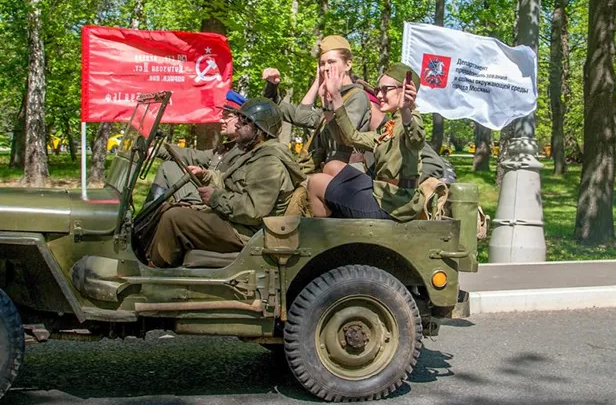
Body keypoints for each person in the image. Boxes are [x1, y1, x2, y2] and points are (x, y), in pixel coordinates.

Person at [146, 98, 305, 268]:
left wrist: (215, 198)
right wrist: (206, 176)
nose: (237, 124)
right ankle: (149, 259)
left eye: (245, 121)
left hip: (245, 232)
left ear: (260, 130)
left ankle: (153, 272)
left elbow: (253, 211)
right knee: (167, 209)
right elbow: (232, 182)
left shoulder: (268, 162)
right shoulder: (255, 153)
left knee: (174, 218)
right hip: (236, 223)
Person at [308, 62, 428, 221]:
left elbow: (416, 140)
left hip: (396, 205)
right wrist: (333, 101)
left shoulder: (410, 120)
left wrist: (405, 110)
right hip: (383, 193)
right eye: (378, 90)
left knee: (315, 182)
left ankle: (332, 234)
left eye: (385, 89)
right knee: (332, 166)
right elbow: (352, 137)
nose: (379, 96)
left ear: (405, 91)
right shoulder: (391, 125)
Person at [262, 35, 372, 174]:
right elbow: (300, 117)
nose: (326, 68)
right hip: (324, 171)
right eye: (322, 63)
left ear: (348, 65)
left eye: (331, 62)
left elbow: (343, 137)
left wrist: (330, 102)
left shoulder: (357, 96)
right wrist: (317, 82)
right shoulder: (329, 94)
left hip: (346, 174)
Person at [145, 90, 247, 205]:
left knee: (171, 209)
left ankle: (153, 214)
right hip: (206, 196)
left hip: (217, 203)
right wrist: (155, 149)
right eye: (222, 116)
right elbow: (193, 155)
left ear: (241, 120)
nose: (221, 120)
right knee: (168, 167)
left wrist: (204, 175)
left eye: (227, 116)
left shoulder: (245, 151)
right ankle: (149, 213)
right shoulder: (225, 148)